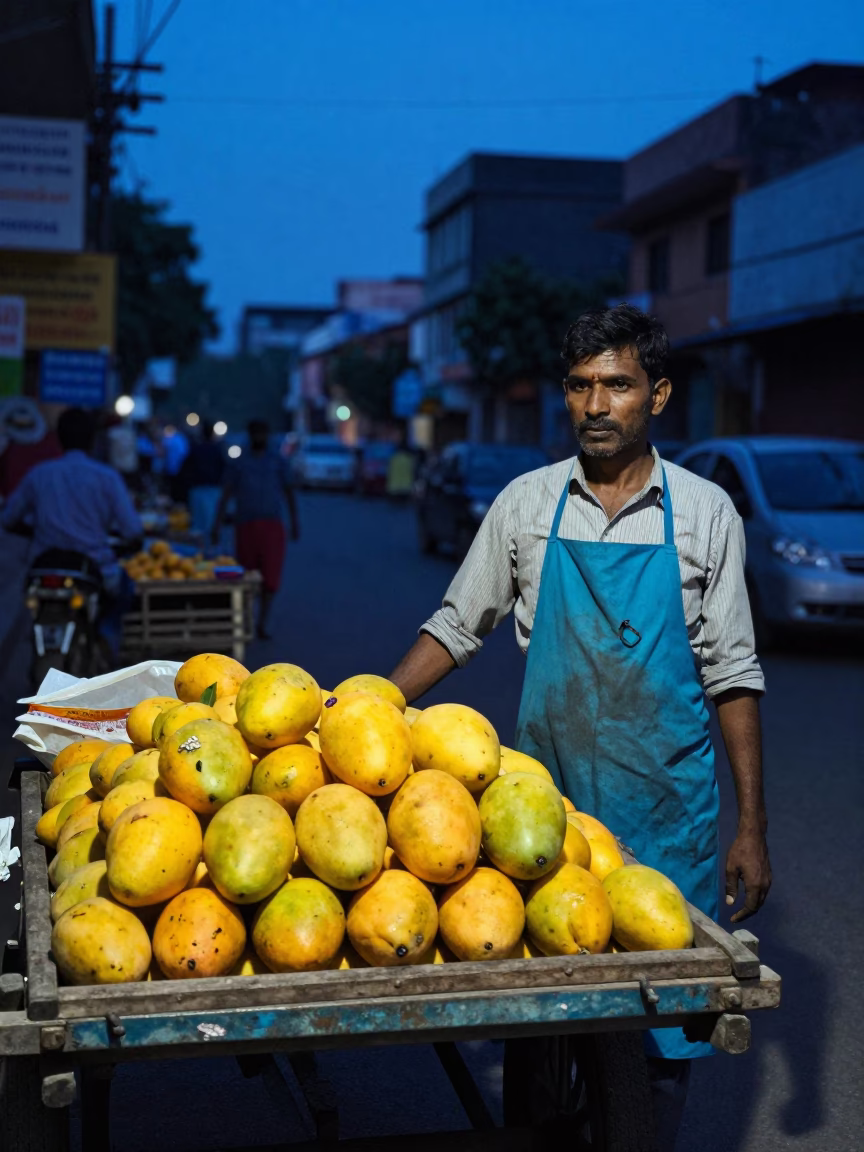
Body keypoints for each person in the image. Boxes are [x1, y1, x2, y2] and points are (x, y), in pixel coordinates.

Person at [389, 304, 771, 1149]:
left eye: (619, 385)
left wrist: (753, 827)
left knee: (664, 1032)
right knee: (540, 1014)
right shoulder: (527, 505)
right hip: (547, 816)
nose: (598, 404)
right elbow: (457, 625)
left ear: (658, 395)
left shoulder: (706, 514)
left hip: (669, 813)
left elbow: (734, 675)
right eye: (581, 385)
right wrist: (368, 706)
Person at [0, 407, 143, 592]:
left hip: (44, 565)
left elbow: (8, 518)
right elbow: (133, 530)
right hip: (94, 567)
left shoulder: (39, 474)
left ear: (59, 438)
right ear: (92, 440)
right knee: (124, 597)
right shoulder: (107, 477)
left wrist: (34, 529)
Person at [212, 419, 299, 639]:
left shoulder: (278, 461)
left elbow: (289, 493)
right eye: (255, 433)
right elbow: (226, 494)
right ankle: (246, 620)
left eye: (263, 433)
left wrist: (295, 522)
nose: (259, 438)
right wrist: (217, 524)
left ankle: (263, 622)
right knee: (246, 576)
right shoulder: (239, 463)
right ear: (250, 436)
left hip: (272, 525)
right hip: (246, 525)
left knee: (270, 578)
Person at [177, 421, 225, 536]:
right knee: (211, 521)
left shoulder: (196, 449)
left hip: (200, 488)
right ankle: (210, 549)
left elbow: (185, 469)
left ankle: (201, 549)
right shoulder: (217, 449)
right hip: (211, 489)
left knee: (199, 524)